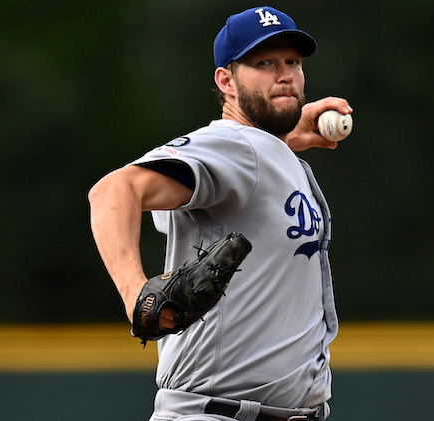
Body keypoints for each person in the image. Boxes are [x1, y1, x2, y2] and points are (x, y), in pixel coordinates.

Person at [88, 6, 353, 421]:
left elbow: (252, 161)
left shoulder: (262, 152)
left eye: (292, 62)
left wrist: (282, 138)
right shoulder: (236, 148)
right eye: (263, 62)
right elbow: (113, 190)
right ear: (225, 80)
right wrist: (134, 292)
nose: (284, 75)